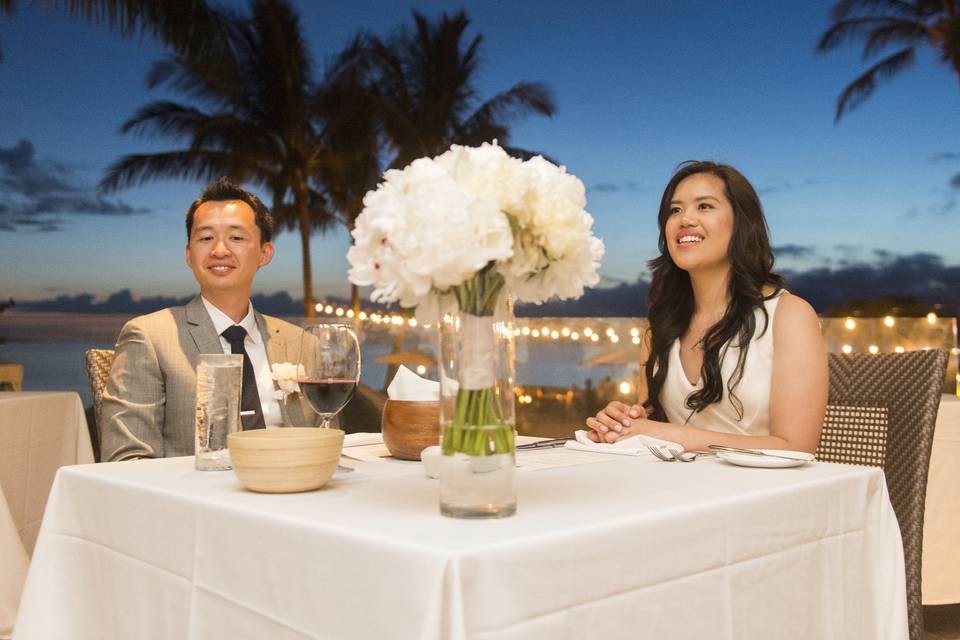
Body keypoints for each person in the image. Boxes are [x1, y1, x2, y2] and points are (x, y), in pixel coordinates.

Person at [585, 161, 827, 453]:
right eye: (675, 210)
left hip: (767, 493)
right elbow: (652, 429)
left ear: (741, 222)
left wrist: (662, 433)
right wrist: (622, 424)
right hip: (680, 492)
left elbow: (797, 447)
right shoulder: (660, 330)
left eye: (704, 206)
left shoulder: (789, 316)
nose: (685, 219)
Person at [100, 177, 318, 462]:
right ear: (189, 255)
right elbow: (126, 461)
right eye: (205, 238)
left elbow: (325, 444)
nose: (219, 250)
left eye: (236, 238)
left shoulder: (301, 342)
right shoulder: (150, 337)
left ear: (265, 254)